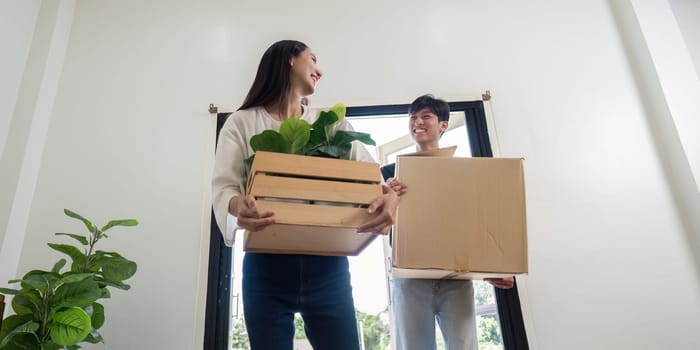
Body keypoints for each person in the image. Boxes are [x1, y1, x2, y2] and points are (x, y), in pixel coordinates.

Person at [211, 40, 399, 350]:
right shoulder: (241, 123)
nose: (319, 70)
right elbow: (225, 186)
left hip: (328, 266)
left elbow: (368, 176)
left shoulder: (332, 125)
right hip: (266, 266)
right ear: (289, 59)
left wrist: (387, 196)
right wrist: (236, 204)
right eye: (312, 59)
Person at [382, 94, 515, 350]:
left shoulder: (465, 172)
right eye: (413, 117)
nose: (417, 122)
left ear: (443, 124)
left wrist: (500, 265)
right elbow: (382, 226)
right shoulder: (390, 174)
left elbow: (480, 221)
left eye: (426, 116)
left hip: (456, 276)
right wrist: (389, 197)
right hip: (411, 276)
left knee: (464, 345)